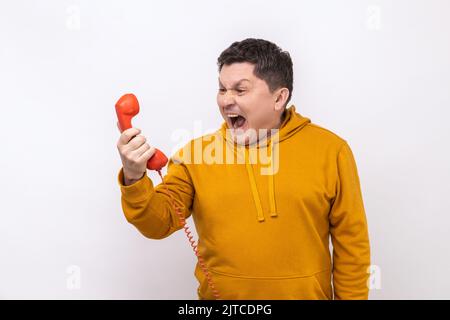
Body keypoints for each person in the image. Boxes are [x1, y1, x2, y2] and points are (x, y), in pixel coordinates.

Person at [116, 38, 371, 300]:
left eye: (240, 90)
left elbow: (352, 245)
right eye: (222, 89)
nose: (226, 101)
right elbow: (156, 224)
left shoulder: (331, 150)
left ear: (279, 97)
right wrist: (134, 175)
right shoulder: (194, 156)